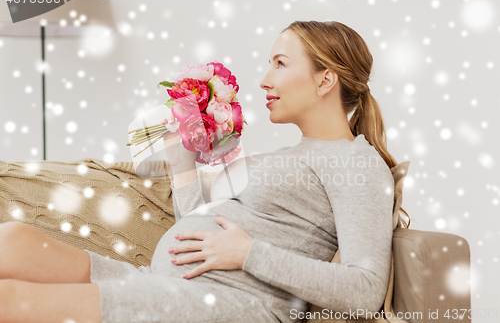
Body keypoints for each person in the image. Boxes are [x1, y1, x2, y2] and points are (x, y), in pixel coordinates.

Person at [0, 20, 410, 323]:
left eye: (280, 64)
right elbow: (200, 230)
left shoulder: (357, 162)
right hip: (167, 283)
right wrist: (182, 162)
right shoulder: (284, 156)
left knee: (13, 302)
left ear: (326, 80)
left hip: (228, 305)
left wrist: (248, 253)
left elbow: (366, 290)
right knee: (13, 239)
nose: (265, 80)